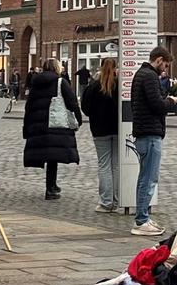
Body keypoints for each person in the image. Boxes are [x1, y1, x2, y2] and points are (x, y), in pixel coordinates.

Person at [22, 58, 80, 201]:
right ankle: (50, 187)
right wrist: (78, 118)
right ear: (56, 68)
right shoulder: (61, 82)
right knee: (53, 156)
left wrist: (27, 127)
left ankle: (51, 185)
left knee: (49, 156)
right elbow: (72, 102)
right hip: (56, 123)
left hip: (39, 125)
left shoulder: (36, 84)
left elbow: (28, 106)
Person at [129, 47, 171, 237]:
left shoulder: (140, 74)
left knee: (144, 177)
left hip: (143, 132)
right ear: (159, 59)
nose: (165, 70)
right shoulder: (150, 76)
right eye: (165, 65)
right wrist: (170, 101)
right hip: (150, 133)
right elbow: (157, 105)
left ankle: (143, 216)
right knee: (148, 178)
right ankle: (142, 220)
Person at [81, 58, 120, 213]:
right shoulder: (119, 86)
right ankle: (116, 200)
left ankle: (105, 202)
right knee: (115, 166)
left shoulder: (94, 86)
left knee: (104, 165)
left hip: (99, 130)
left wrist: (95, 116)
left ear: (101, 68)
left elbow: (85, 107)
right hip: (117, 129)